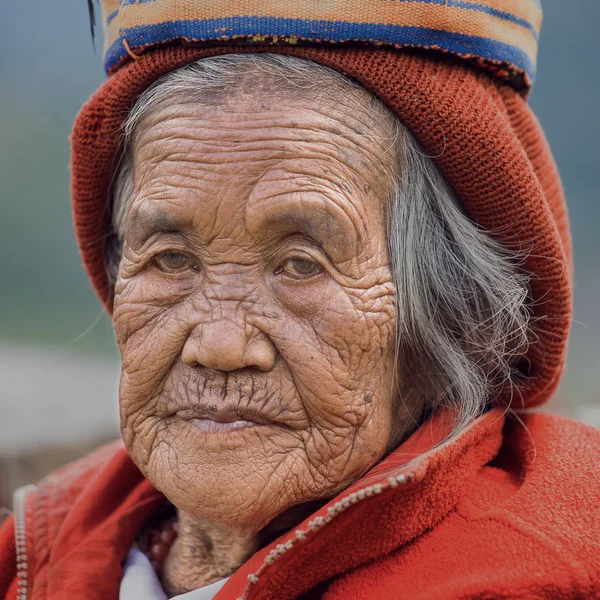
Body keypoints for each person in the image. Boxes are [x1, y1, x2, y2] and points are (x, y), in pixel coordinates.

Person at [1, 2, 599, 599]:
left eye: (299, 267)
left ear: (452, 313)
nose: (220, 345)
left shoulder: (544, 573)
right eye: (172, 260)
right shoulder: (36, 551)